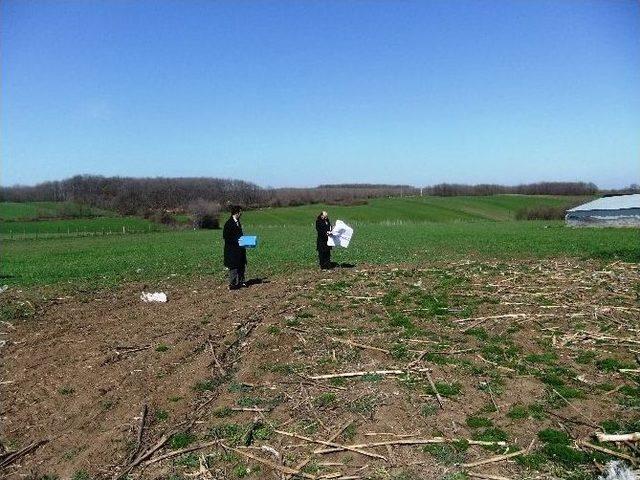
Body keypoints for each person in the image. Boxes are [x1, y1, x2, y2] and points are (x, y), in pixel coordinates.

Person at [223, 205, 247, 290]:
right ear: (236, 213)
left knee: (241, 265)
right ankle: (232, 284)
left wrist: (245, 241)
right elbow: (226, 237)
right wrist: (237, 241)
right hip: (232, 250)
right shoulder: (229, 223)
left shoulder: (238, 222)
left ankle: (241, 282)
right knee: (233, 267)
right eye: (240, 212)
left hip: (240, 249)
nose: (241, 214)